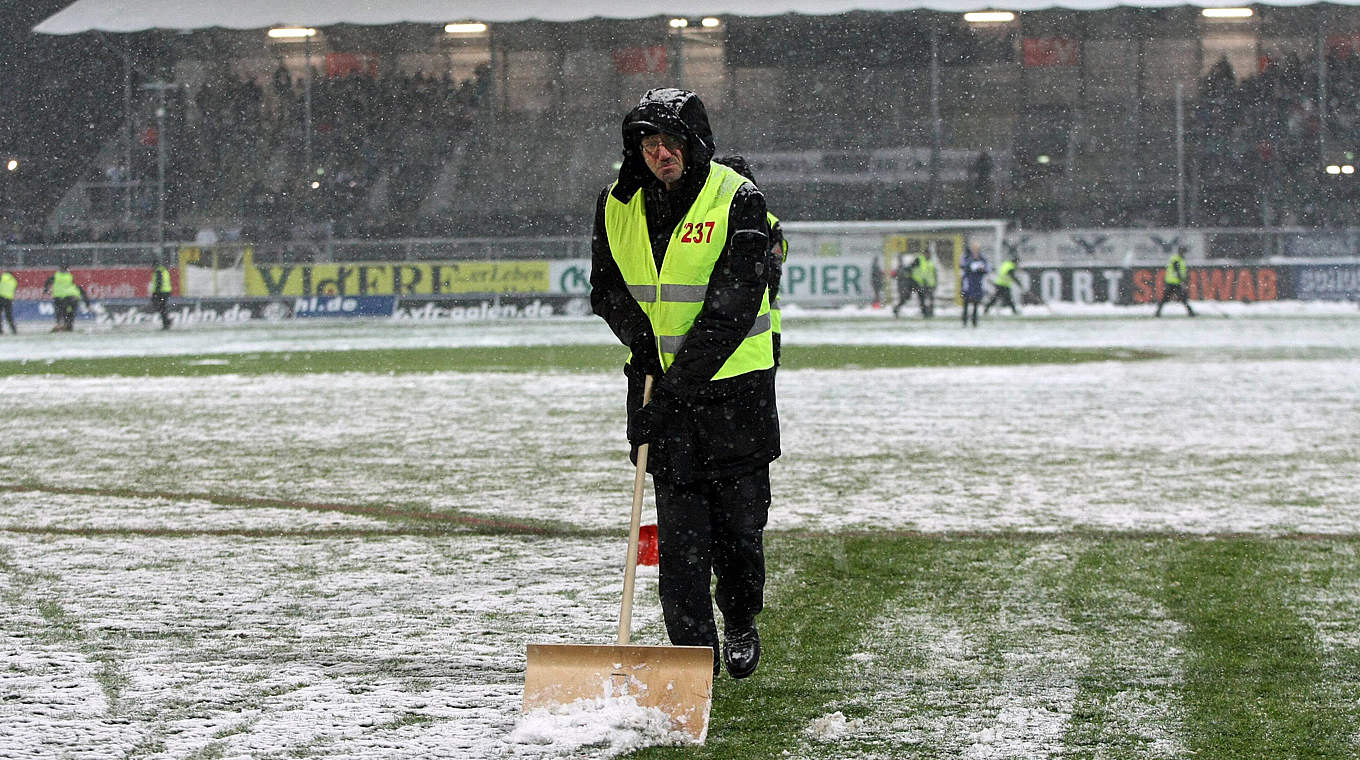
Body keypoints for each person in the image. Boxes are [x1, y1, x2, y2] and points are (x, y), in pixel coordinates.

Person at [590, 88, 779, 680]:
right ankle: (693, 662)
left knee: (739, 538)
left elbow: (734, 307)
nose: (660, 153)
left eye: (671, 142)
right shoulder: (615, 204)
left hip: (735, 396)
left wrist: (674, 386)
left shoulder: (738, 200)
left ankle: (741, 618)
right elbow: (606, 288)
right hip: (661, 400)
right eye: (649, 143)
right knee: (680, 549)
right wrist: (639, 340)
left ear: (694, 146)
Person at [715, 154, 786, 367]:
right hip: (752, 330)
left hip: (754, 330)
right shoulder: (769, 222)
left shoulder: (766, 223)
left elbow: (770, 277)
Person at [42, 261, 90, 332]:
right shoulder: (69, 276)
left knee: (60, 311)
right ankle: (68, 325)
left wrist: (46, 290)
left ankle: (60, 324)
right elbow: (78, 288)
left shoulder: (56, 276)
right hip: (72, 296)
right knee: (70, 312)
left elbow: (47, 283)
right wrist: (87, 302)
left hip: (60, 297)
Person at [1155, 245, 1195, 317]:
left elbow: (1182, 271)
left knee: (1180, 298)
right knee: (1170, 298)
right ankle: (1191, 312)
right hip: (1172, 282)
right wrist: (1182, 280)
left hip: (1175, 282)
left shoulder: (1180, 259)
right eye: (1183, 252)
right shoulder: (1176, 259)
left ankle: (1191, 312)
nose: (1184, 254)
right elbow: (1176, 271)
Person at [959, 245, 989, 328]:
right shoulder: (966, 257)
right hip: (968, 284)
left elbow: (987, 269)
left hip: (977, 284)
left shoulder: (982, 258)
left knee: (976, 304)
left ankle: (974, 322)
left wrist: (982, 269)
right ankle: (964, 321)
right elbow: (963, 267)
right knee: (966, 304)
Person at [149, 258, 174, 330]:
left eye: (152, 266)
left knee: (161, 308)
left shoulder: (158, 271)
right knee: (162, 308)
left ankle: (167, 322)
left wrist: (155, 294)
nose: (152, 267)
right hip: (166, 292)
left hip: (161, 292)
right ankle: (167, 321)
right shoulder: (163, 270)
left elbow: (158, 283)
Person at [912, 248, 937, 318]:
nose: (928, 255)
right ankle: (924, 313)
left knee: (930, 300)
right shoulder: (919, 260)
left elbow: (933, 273)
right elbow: (914, 271)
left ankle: (930, 312)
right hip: (921, 284)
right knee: (922, 300)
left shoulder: (930, 261)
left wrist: (934, 283)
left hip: (930, 284)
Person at [0, 265, 17, 335]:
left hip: (0, 297)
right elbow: (14, 290)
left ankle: (0, 330)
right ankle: (13, 329)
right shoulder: (14, 281)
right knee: (9, 315)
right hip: (8, 299)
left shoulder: (3, 277)